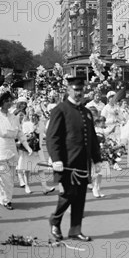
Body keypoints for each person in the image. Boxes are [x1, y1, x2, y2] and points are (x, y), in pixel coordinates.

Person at [46, 76, 102, 242]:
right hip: (66, 163)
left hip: (82, 163)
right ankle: (55, 220)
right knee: (68, 195)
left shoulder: (86, 112)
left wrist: (97, 159)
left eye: (81, 90)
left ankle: (75, 230)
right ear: (68, 90)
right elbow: (52, 137)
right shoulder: (60, 110)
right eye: (75, 90)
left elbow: (91, 137)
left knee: (80, 197)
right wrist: (56, 159)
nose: (79, 93)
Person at [0, 92, 34, 210]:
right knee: (3, 176)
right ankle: (5, 200)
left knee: (10, 177)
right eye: (7, 101)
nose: (9, 103)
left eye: (11, 100)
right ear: (2, 102)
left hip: (11, 148)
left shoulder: (14, 117)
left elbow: (20, 133)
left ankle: (5, 197)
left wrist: (28, 147)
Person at [17, 111, 55, 195]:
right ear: (28, 115)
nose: (32, 117)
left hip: (38, 149)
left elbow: (46, 132)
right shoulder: (25, 124)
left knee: (41, 168)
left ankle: (44, 187)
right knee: (27, 168)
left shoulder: (41, 124)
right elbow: (25, 135)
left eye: (33, 115)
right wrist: (33, 128)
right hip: (29, 149)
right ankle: (27, 186)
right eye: (30, 115)